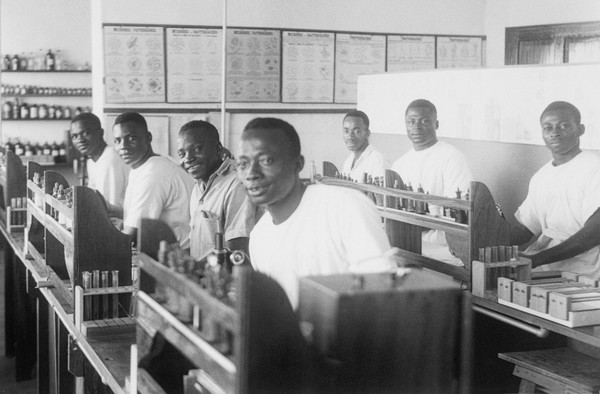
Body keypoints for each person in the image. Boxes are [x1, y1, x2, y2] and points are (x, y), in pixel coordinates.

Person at [236, 117, 396, 308]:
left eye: (266, 160)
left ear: (298, 164)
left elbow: (382, 292)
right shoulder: (259, 237)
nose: (251, 173)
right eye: (243, 164)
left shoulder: (344, 206)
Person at [510, 101, 600, 278]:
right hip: (545, 268)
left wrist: (537, 259)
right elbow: (526, 228)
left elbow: (594, 234)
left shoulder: (594, 167)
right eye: (548, 128)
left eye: (564, 126)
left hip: (586, 273)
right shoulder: (541, 176)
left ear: (580, 129)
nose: (555, 133)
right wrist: (482, 240)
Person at [391, 99, 473, 264]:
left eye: (425, 121)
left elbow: (459, 214)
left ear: (436, 124)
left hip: (440, 246)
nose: (417, 127)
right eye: (411, 122)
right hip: (405, 242)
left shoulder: (451, 157)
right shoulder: (399, 164)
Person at [177, 120, 258, 261]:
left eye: (197, 149)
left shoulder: (237, 183)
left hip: (226, 277)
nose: (188, 158)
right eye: (182, 154)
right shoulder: (198, 187)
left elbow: (237, 252)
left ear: (218, 148)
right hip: (205, 276)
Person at [112, 112, 194, 247]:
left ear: (148, 137)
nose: (123, 146)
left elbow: (133, 235)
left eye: (132, 138)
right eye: (117, 140)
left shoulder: (153, 173)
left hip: (178, 258)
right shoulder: (147, 165)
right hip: (166, 250)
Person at [69, 112, 129, 209]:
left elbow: (109, 208)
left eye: (86, 133)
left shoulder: (110, 160)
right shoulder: (92, 160)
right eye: (74, 136)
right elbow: (92, 198)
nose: (80, 140)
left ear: (101, 133)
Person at [341, 109, 387, 182]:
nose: (350, 136)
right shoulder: (348, 161)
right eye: (346, 131)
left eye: (356, 131)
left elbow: (381, 192)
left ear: (367, 133)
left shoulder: (378, 161)